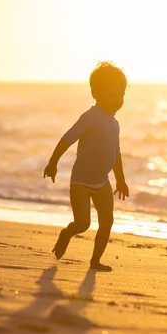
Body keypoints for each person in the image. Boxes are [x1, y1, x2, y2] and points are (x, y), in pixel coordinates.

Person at [43, 61, 129, 272]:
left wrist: (121, 179)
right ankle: (66, 234)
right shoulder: (90, 117)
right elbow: (68, 138)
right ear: (96, 94)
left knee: (107, 221)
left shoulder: (114, 123)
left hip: (102, 182)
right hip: (81, 181)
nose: (118, 100)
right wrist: (53, 163)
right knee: (83, 224)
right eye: (112, 95)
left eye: (121, 95)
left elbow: (115, 153)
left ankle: (95, 261)